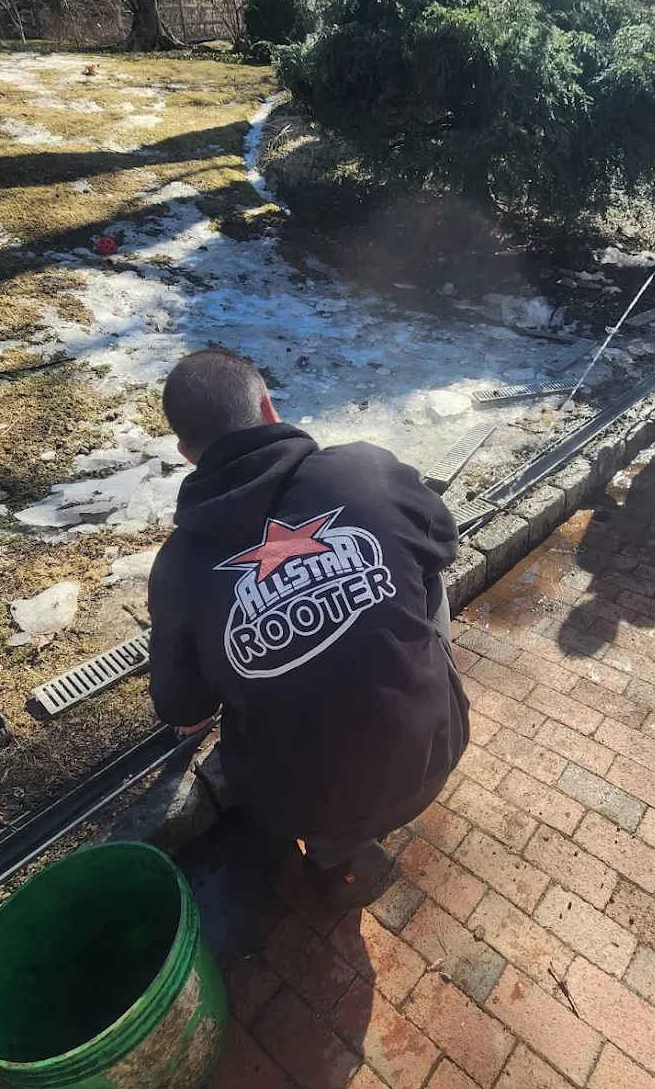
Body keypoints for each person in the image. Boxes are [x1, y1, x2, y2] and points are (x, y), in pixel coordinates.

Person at [147, 347, 469, 908]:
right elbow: (445, 540)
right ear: (268, 408)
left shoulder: (177, 567)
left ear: (187, 454)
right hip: (433, 755)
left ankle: (330, 855)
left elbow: (180, 706)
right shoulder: (367, 470)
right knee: (424, 576)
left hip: (291, 807)